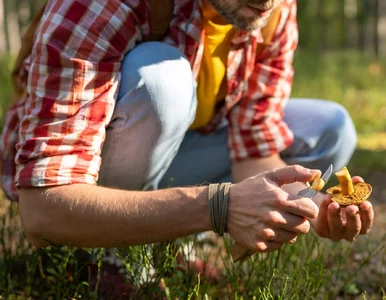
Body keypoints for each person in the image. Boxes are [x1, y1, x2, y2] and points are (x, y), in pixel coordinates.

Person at [0, 0, 374, 255]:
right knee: (162, 79)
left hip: (174, 154)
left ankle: (168, 238)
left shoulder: (271, 10)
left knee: (329, 128)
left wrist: (312, 205)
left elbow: (255, 151)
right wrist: (218, 206)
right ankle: (108, 256)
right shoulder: (105, 4)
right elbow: (43, 212)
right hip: (90, 177)